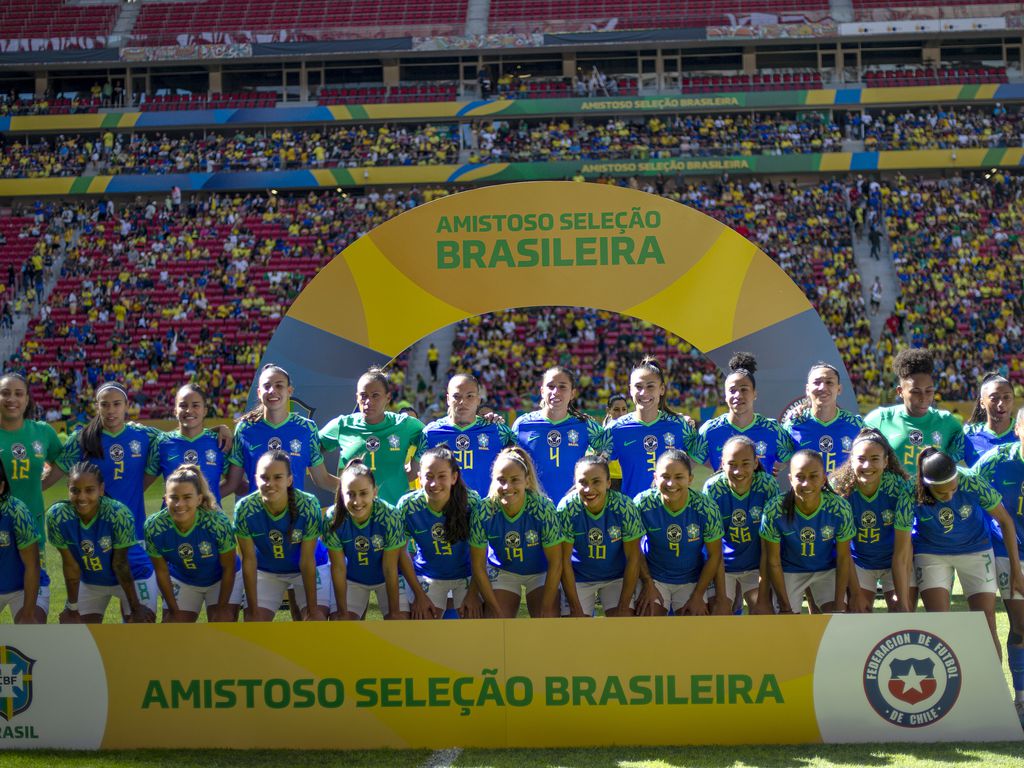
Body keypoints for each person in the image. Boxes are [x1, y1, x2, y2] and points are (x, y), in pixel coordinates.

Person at [55, 382, 159, 603]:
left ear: (126, 405)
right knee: (86, 624)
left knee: (134, 621)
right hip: (94, 538)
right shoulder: (82, 439)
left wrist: (218, 430)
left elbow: (178, 438)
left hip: (134, 536)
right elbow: (52, 475)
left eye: (116, 404)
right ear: (97, 406)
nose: (111, 410)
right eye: (105, 405)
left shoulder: (144, 435)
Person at [913, 447, 1024, 655]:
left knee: (985, 622)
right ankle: (949, 684)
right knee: (938, 624)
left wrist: (1016, 571)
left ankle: (992, 686)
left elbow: (1005, 521)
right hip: (931, 551)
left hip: (975, 549)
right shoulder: (912, 489)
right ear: (927, 485)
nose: (949, 495)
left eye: (953, 490)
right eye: (942, 493)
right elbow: (902, 549)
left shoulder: (971, 480)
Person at [46, 461, 154, 623]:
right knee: (78, 632)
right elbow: (70, 565)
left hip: (134, 575)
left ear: (101, 489)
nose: (82, 497)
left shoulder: (118, 513)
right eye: (75, 490)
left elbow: (120, 564)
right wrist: (72, 607)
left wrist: (136, 607)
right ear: (68, 488)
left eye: (90, 490)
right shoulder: (57, 516)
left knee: (140, 629)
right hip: (92, 580)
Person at [233, 450, 328, 621]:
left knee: (315, 620)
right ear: (255, 479)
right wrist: (253, 609)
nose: (270, 483)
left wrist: (312, 609)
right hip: (267, 571)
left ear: (289, 480)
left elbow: (307, 560)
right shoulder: (244, 509)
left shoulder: (308, 504)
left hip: (307, 568)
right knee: (254, 621)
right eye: (264, 477)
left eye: (277, 477)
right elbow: (249, 560)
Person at [973, 406, 1024, 722]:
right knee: (1021, 625)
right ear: (1018, 429)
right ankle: (1019, 700)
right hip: (1008, 554)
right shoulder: (997, 459)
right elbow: (964, 484)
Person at [470, 447, 562, 618]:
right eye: (501, 480)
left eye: (515, 480)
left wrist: (545, 609)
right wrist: (496, 611)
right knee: (496, 625)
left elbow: (556, 563)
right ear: (493, 480)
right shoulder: (483, 510)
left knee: (548, 621)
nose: (507, 486)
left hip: (540, 571)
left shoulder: (543, 508)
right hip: (503, 570)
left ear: (527, 481)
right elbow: (478, 565)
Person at [759, 450, 855, 614]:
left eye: (813, 476)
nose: (806, 483)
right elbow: (773, 561)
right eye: (800, 477)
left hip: (826, 570)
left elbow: (844, 557)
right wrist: (785, 606)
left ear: (824, 478)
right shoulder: (774, 509)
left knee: (835, 617)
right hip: (790, 571)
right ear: (790, 479)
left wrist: (839, 603)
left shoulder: (839, 508)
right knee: (786, 624)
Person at [830, 429, 914, 613]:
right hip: (858, 562)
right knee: (858, 613)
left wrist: (902, 598)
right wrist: (856, 594)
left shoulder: (899, 487)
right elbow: (841, 547)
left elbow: (903, 549)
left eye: (875, 459)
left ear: (886, 461)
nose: (867, 465)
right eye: (861, 459)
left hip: (895, 559)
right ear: (851, 460)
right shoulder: (838, 488)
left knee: (901, 612)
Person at [634, 449, 726, 616]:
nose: (671, 484)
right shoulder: (643, 504)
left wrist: (698, 595)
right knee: (647, 615)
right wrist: (647, 583)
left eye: (679, 477)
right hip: (654, 577)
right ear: (655, 477)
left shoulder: (706, 507)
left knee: (694, 625)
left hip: (691, 579)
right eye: (665, 477)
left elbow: (715, 555)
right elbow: (633, 549)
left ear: (690, 479)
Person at [144, 464, 241, 623]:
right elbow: (161, 571)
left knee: (223, 621)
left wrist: (222, 607)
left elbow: (228, 568)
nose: (179, 504)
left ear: (199, 499)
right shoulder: (154, 527)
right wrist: (173, 609)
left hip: (220, 579)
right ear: (165, 499)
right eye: (174, 498)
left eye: (187, 497)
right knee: (173, 626)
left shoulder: (217, 523)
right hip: (183, 578)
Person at [397, 445, 482, 619]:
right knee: (425, 628)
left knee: (473, 626)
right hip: (427, 575)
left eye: (442, 476)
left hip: (466, 575)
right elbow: (401, 551)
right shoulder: (408, 505)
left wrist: (473, 594)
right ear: (419, 478)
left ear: (454, 477)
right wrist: (419, 595)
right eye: (429, 477)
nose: (435, 483)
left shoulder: (472, 502)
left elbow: (481, 553)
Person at [319, 366, 423, 506]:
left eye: (375, 395)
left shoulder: (405, 425)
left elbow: (432, 438)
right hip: (353, 515)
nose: (368, 402)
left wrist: (415, 466)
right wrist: (327, 481)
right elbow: (310, 448)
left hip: (394, 517)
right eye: (363, 396)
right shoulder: (342, 425)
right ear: (357, 397)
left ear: (388, 397)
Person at [226, 364, 337, 495]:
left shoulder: (307, 428)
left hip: (295, 513)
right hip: (257, 513)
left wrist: (358, 489)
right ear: (259, 393)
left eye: (279, 385)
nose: (272, 390)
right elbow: (233, 483)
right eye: (267, 386)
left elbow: (322, 479)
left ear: (289, 391)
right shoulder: (244, 429)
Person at [322, 459, 412, 620]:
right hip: (353, 579)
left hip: (387, 579)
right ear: (341, 493)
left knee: (399, 621)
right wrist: (342, 612)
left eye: (363, 493)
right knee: (342, 625)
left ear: (375, 491)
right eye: (350, 494)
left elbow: (390, 568)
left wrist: (395, 612)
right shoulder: (332, 517)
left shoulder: (390, 516)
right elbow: (338, 568)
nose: (357, 501)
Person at [702, 435, 780, 613]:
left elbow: (768, 544)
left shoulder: (767, 486)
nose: (738, 471)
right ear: (722, 463)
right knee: (719, 612)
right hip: (723, 567)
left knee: (763, 613)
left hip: (756, 567)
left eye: (745, 464)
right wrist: (722, 598)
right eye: (732, 464)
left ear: (755, 463)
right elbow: (713, 546)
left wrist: (762, 597)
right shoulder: (712, 489)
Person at [607, 358, 703, 499]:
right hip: (633, 513)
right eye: (638, 387)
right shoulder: (615, 429)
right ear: (630, 390)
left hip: (671, 511)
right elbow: (597, 467)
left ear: (662, 389)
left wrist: (679, 473)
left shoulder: (680, 425)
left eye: (650, 386)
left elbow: (700, 454)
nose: (644, 392)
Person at [559, 455, 642, 617]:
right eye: (583, 482)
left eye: (596, 482)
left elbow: (634, 558)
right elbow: (564, 561)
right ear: (575, 483)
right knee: (574, 629)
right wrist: (575, 607)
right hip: (579, 578)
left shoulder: (624, 507)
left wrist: (624, 605)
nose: (589, 489)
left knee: (624, 625)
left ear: (608, 483)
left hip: (617, 578)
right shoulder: (567, 508)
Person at [512, 367, 610, 502]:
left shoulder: (585, 425)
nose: (555, 392)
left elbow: (609, 447)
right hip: (533, 507)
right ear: (542, 391)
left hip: (574, 506)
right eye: (550, 386)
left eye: (562, 387)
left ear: (572, 393)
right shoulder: (522, 424)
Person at [865, 348, 964, 475]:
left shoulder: (948, 422)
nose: (923, 398)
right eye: (915, 392)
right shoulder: (879, 419)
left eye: (929, 391)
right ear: (900, 392)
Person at [416, 374, 515, 497]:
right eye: (456, 396)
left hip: (485, 511)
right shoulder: (430, 433)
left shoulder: (498, 430)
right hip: (445, 511)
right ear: (447, 399)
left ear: (478, 399)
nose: (463, 402)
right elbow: (418, 473)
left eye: (470, 396)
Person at [698, 353, 794, 474]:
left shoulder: (773, 429)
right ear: (725, 396)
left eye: (744, 389)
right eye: (732, 391)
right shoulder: (709, 430)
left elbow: (787, 459)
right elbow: (697, 460)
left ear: (755, 393)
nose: (738, 395)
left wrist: (769, 470)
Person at [0, 373, 63, 547]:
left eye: (18, 394)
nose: (11, 398)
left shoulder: (43, 432)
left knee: (34, 573)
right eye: (5, 393)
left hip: (32, 525)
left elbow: (65, 462)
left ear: (27, 399)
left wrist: (40, 485)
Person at [783, 363, 865, 474]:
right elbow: (776, 464)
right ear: (807, 389)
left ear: (839, 389)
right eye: (817, 383)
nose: (823, 387)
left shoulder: (856, 425)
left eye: (829, 382)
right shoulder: (793, 424)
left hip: (844, 491)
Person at [157, 384, 231, 504]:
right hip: (173, 519)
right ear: (175, 411)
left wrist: (206, 498)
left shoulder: (220, 441)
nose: (189, 410)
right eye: (183, 405)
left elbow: (233, 483)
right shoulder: (161, 442)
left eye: (195, 405)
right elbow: (139, 484)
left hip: (211, 520)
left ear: (205, 410)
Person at [0, 459, 47, 623]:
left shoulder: (16, 511)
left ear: (1, 487)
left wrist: (28, 614)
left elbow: (32, 565)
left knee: (31, 635)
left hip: (22, 588)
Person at [963, 373, 1016, 466]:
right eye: (994, 398)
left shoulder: (1021, 432)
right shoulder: (966, 435)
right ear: (982, 403)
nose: (1001, 403)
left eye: (1006, 397)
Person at [603, 393, 629, 491]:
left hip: (627, 477)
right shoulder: (605, 431)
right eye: (616, 410)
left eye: (624, 409)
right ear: (608, 410)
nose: (621, 413)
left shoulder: (633, 430)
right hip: (610, 478)